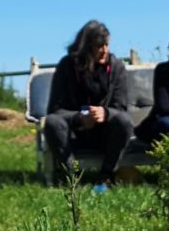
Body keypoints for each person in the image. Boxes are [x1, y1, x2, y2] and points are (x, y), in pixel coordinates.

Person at [44, 21, 133, 187]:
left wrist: (105, 113)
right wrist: (80, 117)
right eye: (99, 46)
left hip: (105, 134)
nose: (104, 50)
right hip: (73, 133)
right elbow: (55, 109)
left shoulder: (116, 67)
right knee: (52, 122)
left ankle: (106, 175)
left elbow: (120, 107)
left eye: (107, 45)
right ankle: (72, 175)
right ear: (86, 47)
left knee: (124, 122)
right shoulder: (66, 67)